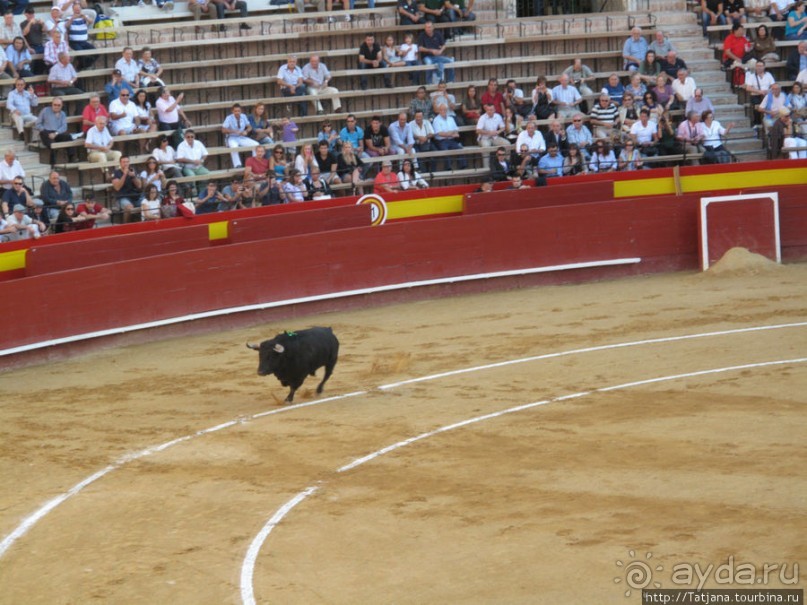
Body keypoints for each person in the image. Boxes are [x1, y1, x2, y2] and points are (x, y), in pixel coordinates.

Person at [35, 97, 77, 165]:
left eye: (58, 105)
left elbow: (64, 127)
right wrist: (45, 131)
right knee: (53, 144)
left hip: (57, 133)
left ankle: (71, 158)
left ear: (61, 105)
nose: (56, 106)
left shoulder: (63, 114)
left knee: (69, 137)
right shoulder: (45, 111)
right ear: (52, 104)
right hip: (45, 132)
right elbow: (37, 124)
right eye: (55, 104)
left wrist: (56, 133)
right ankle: (52, 164)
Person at [222, 103, 258, 168]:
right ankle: (237, 165)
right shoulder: (229, 118)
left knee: (256, 145)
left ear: (241, 111)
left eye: (238, 111)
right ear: (232, 111)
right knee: (234, 147)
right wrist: (233, 131)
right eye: (235, 111)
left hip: (241, 137)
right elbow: (223, 130)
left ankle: (255, 163)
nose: (237, 112)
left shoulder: (243, 116)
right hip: (232, 137)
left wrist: (246, 131)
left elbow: (249, 127)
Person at [432, 103, 466, 171]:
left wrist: (451, 133)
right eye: (441, 110)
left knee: (460, 149)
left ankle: (463, 167)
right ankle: (448, 168)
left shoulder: (451, 118)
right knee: (445, 151)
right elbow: (440, 134)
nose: (443, 111)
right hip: (441, 141)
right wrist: (451, 133)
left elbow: (456, 131)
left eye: (445, 109)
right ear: (439, 110)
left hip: (451, 140)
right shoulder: (436, 120)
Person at [111, 156, 143, 223]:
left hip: (135, 196)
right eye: (124, 162)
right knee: (129, 207)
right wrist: (125, 175)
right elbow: (117, 187)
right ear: (120, 163)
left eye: (127, 162)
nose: (126, 164)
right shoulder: (116, 173)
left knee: (147, 203)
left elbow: (139, 186)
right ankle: (125, 225)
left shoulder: (133, 171)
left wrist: (133, 176)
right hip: (122, 197)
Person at [66, 2, 95, 70]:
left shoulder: (84, 17)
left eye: (78, 9)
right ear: (73, 10)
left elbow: (91, 21)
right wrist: (72, 18)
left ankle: (83, 66)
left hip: (84, 42)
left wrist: (85, 18)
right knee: (81, 54)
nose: (77, 11)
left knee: (95, 52)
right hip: (74, 42)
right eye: (76, 9)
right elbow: (66, 26)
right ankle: (81, 67)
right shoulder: (69, 17)